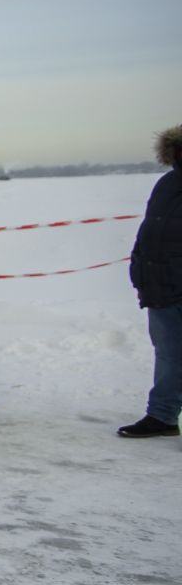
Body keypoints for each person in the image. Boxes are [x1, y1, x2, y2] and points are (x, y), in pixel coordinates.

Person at [121, 124, 181, 438]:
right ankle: (162, 416)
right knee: (169, 355)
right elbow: (151, 232)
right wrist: (139, 270)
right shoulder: (166, 184)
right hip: (162, 287)